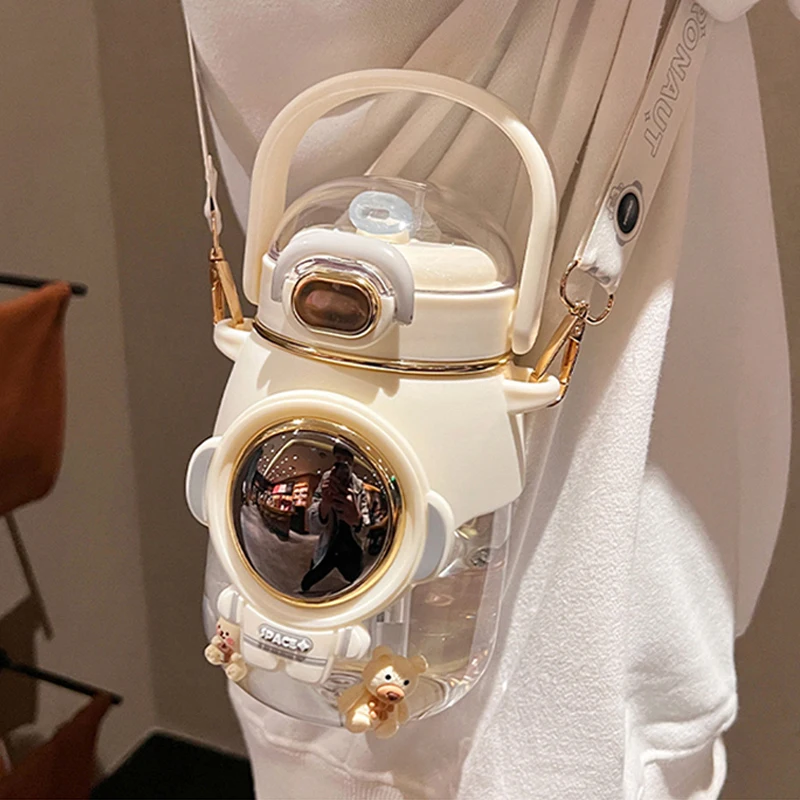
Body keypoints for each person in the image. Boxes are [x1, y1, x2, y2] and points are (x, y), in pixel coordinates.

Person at [301, 444, 371, 594]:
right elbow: (313, 525)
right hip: (329, 544)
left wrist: (357, 519)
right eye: (338, 459)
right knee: (308, 582)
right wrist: (325, 504)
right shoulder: (326, 479)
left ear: (352, 464)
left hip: (351, 547)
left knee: (357, 586)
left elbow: (366, 527)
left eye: (346, 461)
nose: (342, 464)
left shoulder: (359, 486)